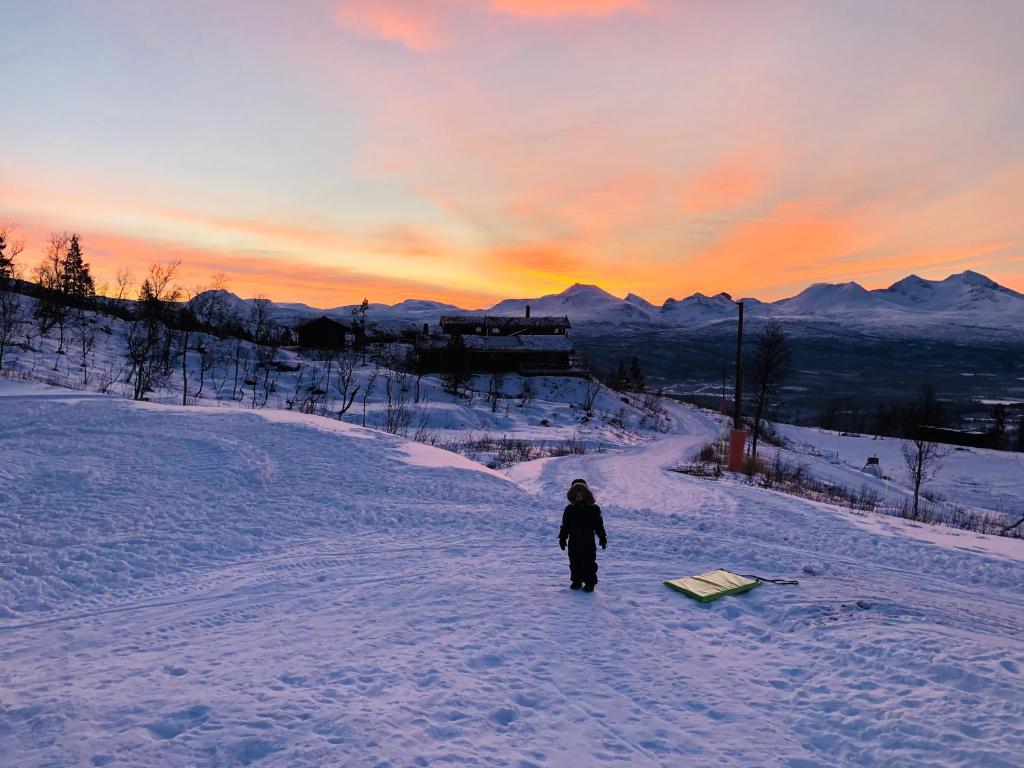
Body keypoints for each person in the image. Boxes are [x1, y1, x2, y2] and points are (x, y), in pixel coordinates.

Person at [558, 478, 607, 592]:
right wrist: (562, 538)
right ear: (572, 494)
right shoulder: (569, 509)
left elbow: (599, 525)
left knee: (589, 562)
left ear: (586, 493)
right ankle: (577, 580)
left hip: (588, 542)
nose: (578, 494)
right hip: (574, 542)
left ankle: (590, 583)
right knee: (574, 561)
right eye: (576, 491)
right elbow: (565, 526)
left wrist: (602, 537)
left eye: (581, 491)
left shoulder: (594, 509)